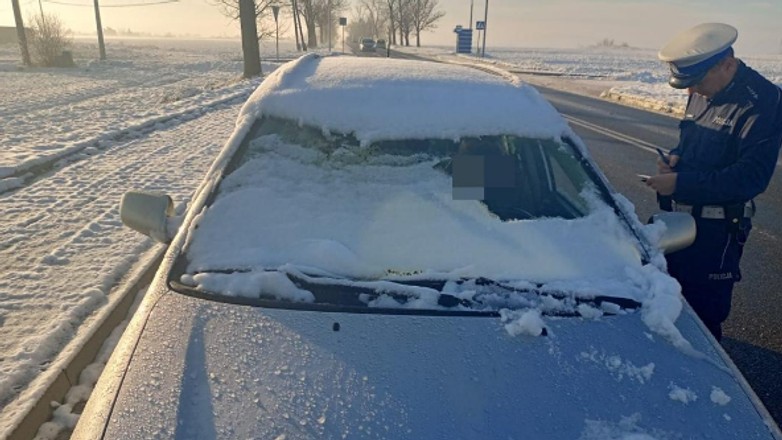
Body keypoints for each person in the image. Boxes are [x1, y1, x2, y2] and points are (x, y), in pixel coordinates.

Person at [646, 23, 782, 340]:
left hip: (715, 233)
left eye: (696, 83)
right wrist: (676, 158)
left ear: (727, 64)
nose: (691, 93)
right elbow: (693, 138)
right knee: (663, 302)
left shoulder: (762, 103)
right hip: (678, 222)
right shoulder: (703, 87)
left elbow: (749, 178)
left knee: (702, 321)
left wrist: (681, 184)